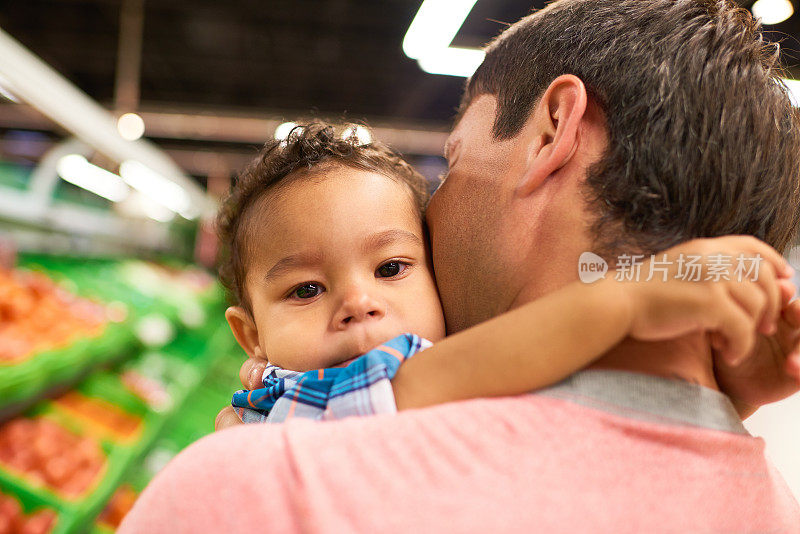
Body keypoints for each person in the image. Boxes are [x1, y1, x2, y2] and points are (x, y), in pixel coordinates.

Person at [120, 0, 800, 531]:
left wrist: (241, 479)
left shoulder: (260, 488)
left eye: (452, 162)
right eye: (305, 288)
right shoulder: (775, 503)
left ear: (550, 132)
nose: (431, 219)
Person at [211, 121, 792, 425]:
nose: (359, 303)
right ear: (251, 333)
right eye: (306, 289)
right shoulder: (317, 402)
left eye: (391, 268)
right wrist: (628, 299)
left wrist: (729, 398)